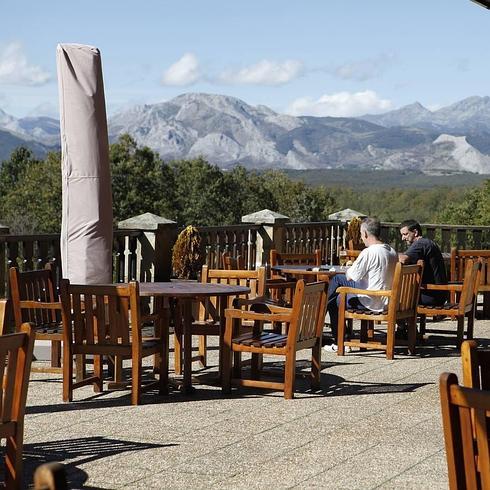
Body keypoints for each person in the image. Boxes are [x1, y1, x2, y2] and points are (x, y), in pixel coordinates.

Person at [324, 217, 398, 352]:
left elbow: (351, 276)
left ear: (365, 234)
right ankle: (335, 330)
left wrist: (350, 267)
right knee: (337, 283)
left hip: (372, 300)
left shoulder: (369, 252)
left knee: (336, 297)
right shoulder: (391, 251)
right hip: (388, 299)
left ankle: (340, 341)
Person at [398, 219, 448, 306]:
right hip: (439, 294)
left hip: (431, 296)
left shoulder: (420, 244)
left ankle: (399, 318)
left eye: (405, 234)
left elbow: (403, 259)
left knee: (397, 296)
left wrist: (388, 254)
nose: (403, 238)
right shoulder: (427, 242)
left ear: (415, 232)